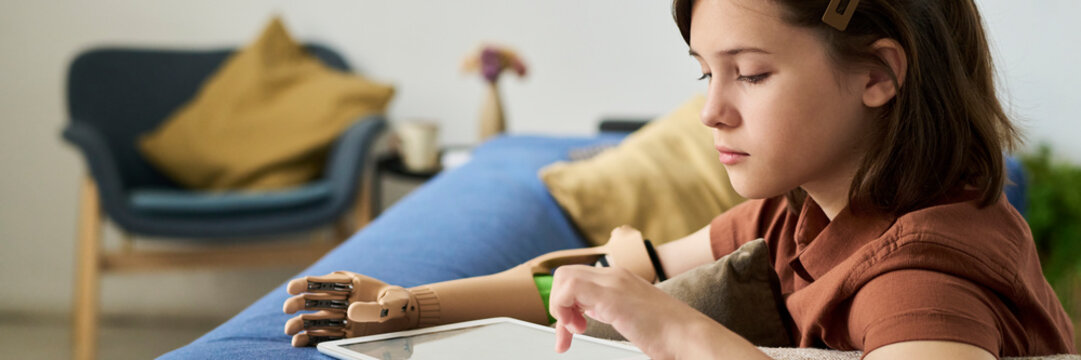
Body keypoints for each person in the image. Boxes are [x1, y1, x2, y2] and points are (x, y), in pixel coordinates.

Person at [282, 0, 1077, 358]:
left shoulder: (920, 276)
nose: (710, 112)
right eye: (704, 74)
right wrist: (407, 306)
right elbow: (594, 277)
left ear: (877, 74)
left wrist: (671, 328)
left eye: (750, 75)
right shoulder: (792, 216)